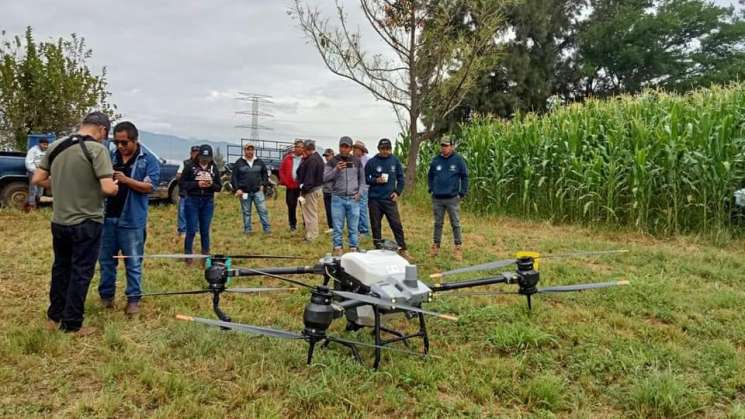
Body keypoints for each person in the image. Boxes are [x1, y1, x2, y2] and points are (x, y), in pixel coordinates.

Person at [32, 111, 118, 333]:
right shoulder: (97, 150)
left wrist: (63, 185)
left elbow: (38, 179)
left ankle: (54, 318)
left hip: (59, 221)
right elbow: (108, 188)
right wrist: (115, 187)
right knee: (81, 272)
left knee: (61, 269)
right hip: (87, 222)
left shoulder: (56, 146)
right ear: (102, 130)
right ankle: (72, 324)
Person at [98, 121, 160, 315]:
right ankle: (106, 297)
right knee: (106, 261)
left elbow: (150, 187)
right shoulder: (109, 156)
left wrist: (127, 180)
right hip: (108, 217)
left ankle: (133, 299)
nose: (120, 147)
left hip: (132, 220)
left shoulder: (148, 159)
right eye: (116, 142)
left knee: (133, 262)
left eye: (124, 143)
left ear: (135, 140)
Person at [365, 138, 411, 260]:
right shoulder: (372, 162)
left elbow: (401, 179)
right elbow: (367, 179)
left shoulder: (395, 161)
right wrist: (376, 180)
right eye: (382, 149)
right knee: (375, 225)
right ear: (378, 149)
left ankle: (402, 249)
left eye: (387, 149)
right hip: (374, 199)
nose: (385, 151)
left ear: (390, 149)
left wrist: (397, 192)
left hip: (389, 199)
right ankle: (378, 249)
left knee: (396, 224)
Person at [427, 135, 469, 261]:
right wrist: (431, 188)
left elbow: (465, 177)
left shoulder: (458, 160)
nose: (444, 148)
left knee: (455, 223)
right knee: (438, 223)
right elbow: (430, 175)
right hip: (437, 198)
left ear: (451, 146)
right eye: (442, 146)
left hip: (452, 198)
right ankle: (436, 245)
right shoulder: (436, 160)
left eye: (446, 146)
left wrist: (462, 193)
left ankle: (458, 247)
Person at [324, 136, 365, 256]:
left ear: (351, 148)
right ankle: (338, 248)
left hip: (353, 199)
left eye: (346, 147)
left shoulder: (357, 161)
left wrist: (360, 193)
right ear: (339, 147)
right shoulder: (332, 161)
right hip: (338, 198)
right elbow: (325, 178)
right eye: (342, 146)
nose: (344, 149)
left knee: (353, 227)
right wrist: (336, 169)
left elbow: (363, 181)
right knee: (337, 226)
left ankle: (353, 248)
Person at [180, 144, 221, 260]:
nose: (205, 160)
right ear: (198, 156)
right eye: (203, 157)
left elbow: (219, 187)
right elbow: (182, 184)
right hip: (192, 200)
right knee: (191, 229)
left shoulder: (214, 168)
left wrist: (211, 184)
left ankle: (205, 256)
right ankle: (188, 255)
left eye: (207, 158)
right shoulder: (189, 166)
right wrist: (196, 184)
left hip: (208, 201)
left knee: (205, 230)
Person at [231, 142, 270, 234]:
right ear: (244, 150)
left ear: (254, 151)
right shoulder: (239, 163)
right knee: (246, 212)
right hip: (244, 192)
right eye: (248, 149)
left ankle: (267, 229)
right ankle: (247, 230)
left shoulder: (259, 162)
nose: (250, 151)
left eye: (251, 149)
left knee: (263, 211)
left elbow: (265, 173)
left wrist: (263, 184)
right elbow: (234, 178)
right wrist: (237, 189)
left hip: (257, 191)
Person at [296, 139, 325, 241]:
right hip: (315, 189)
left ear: (307, 149)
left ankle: (312, 236)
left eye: (304, 148)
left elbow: (309, 178)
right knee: (310, 213)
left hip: (310, 191)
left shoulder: (312, 160)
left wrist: (303, 190)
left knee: (310, 214)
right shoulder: (317, 158)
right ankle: (311, 234)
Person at [278, 140, 304, 232]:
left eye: (301, 147)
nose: (299, 148)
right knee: (291, 206)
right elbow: (281, 171)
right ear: (295, 147)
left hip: (302, 188)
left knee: (304, 206)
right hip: (290, 187)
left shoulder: (305, 159)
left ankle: (306, 223)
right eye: (298, 146)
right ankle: (292, 224)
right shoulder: (288, 158)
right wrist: (286, 181)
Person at [176, 145, 200, 238]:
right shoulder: (185, 163)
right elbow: (178, 176)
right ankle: (182, 230)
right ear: (191, 153)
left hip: (197, 192)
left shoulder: (202, 164)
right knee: (182, 211)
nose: (195, 154)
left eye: (197, 153)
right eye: (194, 152)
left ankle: (196, 230)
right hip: (185, 192)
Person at [24, 137, 49, 211]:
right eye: (44, 144)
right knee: (33, 189)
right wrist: (35, 171)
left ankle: (37, 204)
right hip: (33, 171)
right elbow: (28, 162)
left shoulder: (46, 151)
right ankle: (31, 206)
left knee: (40, 190)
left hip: (42, 172)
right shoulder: (33, 150)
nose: (45, 146)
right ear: (39, 144)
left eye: (46, 145)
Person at [353, 140, 370, 236]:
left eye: (356, 149)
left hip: (364, 188)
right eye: (354, 149)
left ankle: (364, 230)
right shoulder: (351, 159)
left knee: (362, 208)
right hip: (354, 188)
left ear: (361, 151)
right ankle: (358, 229)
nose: (354, 151)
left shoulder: (367, 160)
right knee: (355, 209)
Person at [322, 148, 335, 233]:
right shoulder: (326, 165)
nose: (326, 157)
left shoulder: (336, 165)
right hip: (326, 190)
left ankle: (334, 227)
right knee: (328, 209)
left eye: (328, 155)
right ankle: (331, 226)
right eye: (325, 156)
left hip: (333, 191)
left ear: (332, 155)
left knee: (333, 210)